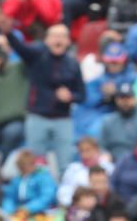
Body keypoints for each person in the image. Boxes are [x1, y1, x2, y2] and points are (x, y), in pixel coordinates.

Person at [5, 22, 84, 172]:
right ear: (46, 40)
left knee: (65, 165)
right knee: (34, 162)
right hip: (38, 117)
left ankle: (63, 194)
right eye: (54, 36)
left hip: (62, 119)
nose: (58, 40)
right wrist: (8, 33)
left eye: (62, 36)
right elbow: (20, 48)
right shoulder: (36, 57)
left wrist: (70, 96)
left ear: (68, 41)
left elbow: (82, 95)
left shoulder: (73, 64)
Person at [57, 137, 114, 207]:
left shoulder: (109, 168)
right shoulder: (73, 169)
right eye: (81, 151)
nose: (85, 155)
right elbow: (64, 191)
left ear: (97, 150)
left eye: (88, 150)